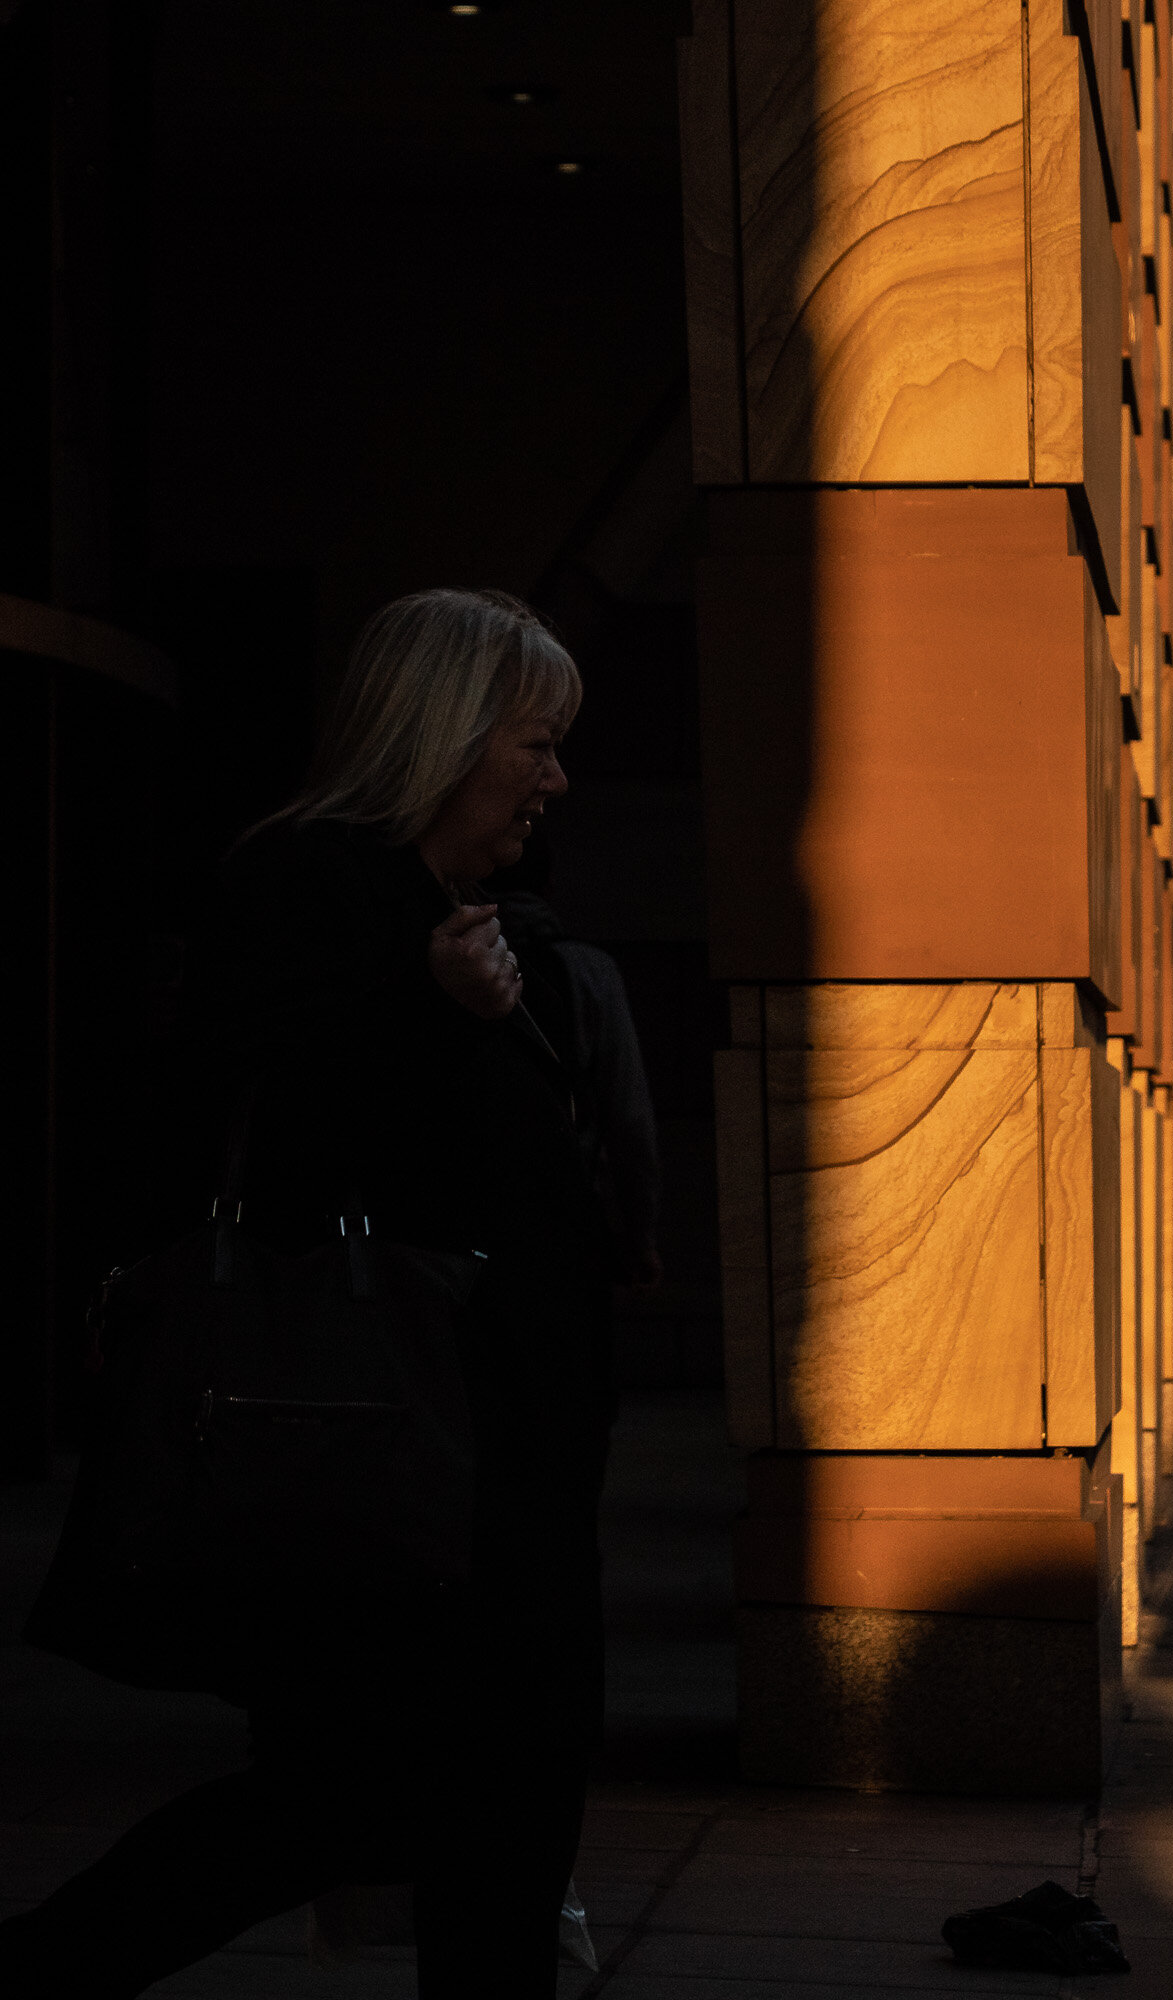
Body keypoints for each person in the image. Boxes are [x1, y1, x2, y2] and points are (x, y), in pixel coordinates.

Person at [1, 588, 614, 1997]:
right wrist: (426, 1010)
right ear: (451, 736)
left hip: (486, 1471)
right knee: (362, 1801)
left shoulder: (482, 919)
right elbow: (240, 1133)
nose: (556, 777)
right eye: (537, 741)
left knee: (488, 1819)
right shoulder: (306, 893)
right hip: (370, 1462)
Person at [495, 836, 663, 1287]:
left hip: (484, 1218)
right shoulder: (591, 972)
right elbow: (628, 1117)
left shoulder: (450, 962)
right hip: (572, 1212)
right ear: (549, 885)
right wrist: (640, 1237)